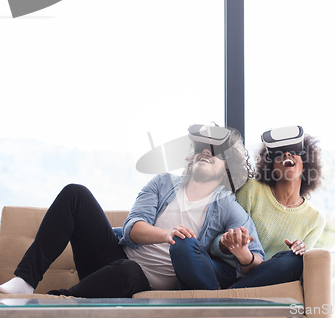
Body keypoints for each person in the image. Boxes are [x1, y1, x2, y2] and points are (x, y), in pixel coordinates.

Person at [0, 125, 265, 297]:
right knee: (75, 193)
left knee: (128, 271)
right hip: (110, 258)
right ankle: (25, 281)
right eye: (201, 148)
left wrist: (243, 254)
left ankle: (58, 300)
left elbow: (257, 259)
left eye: (216, 152)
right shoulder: (162, 183)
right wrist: (166, 234)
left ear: (228, 168)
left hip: (142, 282)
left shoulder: (228, 207)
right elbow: (132, 228)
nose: (205, 151)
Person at [211, 125, 325, 288]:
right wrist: (226, 242)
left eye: (293, 150)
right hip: (232, 272)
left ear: (306, 164)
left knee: (295, 260)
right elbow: (214, 246)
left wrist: (299, 250)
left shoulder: (315, 220)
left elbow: (297, 271)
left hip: (268, 278)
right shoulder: (251, 189)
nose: (286, 154)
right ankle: (234, 295)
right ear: (271, 165)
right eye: (278, 153)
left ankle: (231, 296)